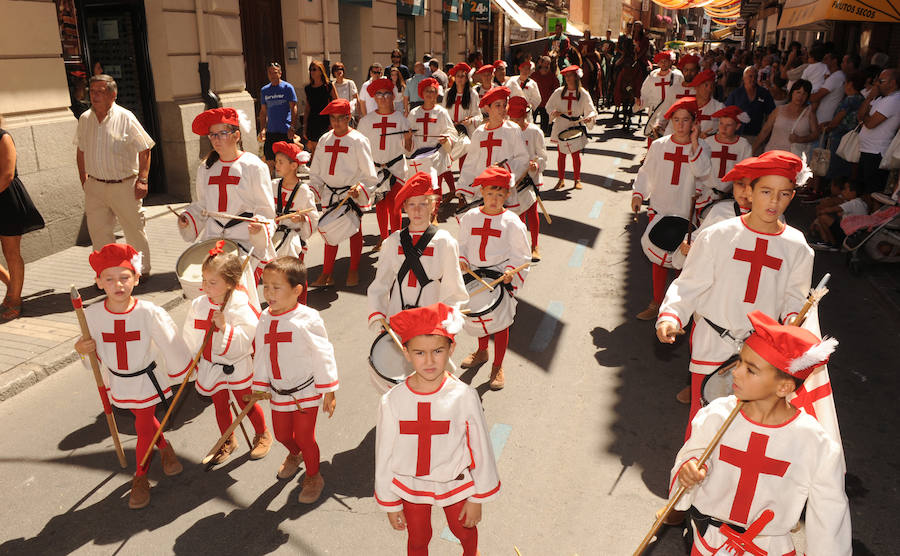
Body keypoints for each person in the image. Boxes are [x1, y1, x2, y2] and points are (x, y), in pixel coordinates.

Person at [655, 152, 814, 436]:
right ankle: (689, 473)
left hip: (761, 352)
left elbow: (795, 297)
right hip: (713, 341)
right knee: (702, 420)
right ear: (749, 192)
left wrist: (792, 320)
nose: (774, 202)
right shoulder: (718, 235)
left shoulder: (797, 246)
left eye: (784, 194)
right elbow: (689, 283)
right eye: (766, 192)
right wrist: (672, 315)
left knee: (745, 426)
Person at [669, 310, 850, 555]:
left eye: (751, 370)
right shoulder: (717, 415)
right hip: (711, 545)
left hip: (770, 549)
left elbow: (829, 515)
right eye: (739, 361)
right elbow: (693, 456)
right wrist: (690, 469)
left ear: (784, 386)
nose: (736, 371)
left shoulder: (814, 443)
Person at [374, 302, 501, 556]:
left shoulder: (464, 396)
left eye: (438, 351)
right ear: (406, 353)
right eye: (419, 352)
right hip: (412, 483)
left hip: (454, 479)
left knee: (463, 530)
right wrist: (390, 502)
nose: (429, 360)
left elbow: (480, 447)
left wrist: (478, 498)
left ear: (451, 349)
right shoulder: (392, 400)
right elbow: (385, 453)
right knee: (418, 538)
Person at [74, 243, 193, 509]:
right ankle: (165, 448)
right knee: (145, 421)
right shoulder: (91, 315)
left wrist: (181, 370)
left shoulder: (148, 312)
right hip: (118, 380)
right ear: (99, 282)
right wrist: (81, 349)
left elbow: (170, 341)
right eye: (110, 279)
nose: (118, 284)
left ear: (136, 278)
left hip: (144, 380)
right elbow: (85, 347)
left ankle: (140, 478)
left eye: (125, 277)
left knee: (141, 427)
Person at [251, 256, 339, 504]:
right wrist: (260, 385)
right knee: (280, 435)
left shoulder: (308, 318)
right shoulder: (265, 317)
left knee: (304, 436)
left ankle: (313, 475)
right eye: (265, 286)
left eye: (276, 287)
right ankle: (295, 455)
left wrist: (329, 390)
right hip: (279, 391)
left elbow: (324, 353)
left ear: (297, 290)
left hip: (305, 391)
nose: (268, 292)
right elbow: (261, 353)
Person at [181, 243, 271, 465]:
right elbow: (191, 332)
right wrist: (192, 358)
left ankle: (262, 434)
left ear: (230, 283)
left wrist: (226, 328)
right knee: (220, 405)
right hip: (211, 364)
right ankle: (228, 438)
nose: (205, 286)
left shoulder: (239, 303)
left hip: (236, 363)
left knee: (245, 402)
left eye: (212, 282)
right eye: (204, 280)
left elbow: (251, 332)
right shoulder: (199, 304)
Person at [631, 97, 712, 321]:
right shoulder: (659, 145)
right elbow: (646, 172)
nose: (680, 125)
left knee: (681, 263)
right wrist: (638, 194)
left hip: (685, 213)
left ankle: (676, 309)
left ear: (694, 123)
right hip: (659, 210)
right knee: (658, 260)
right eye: (676, 120)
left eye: (686, 120)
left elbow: (703, 171)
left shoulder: (702, 147)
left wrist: (695, 143)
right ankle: (656, 303)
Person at [177, 108, 276, 280]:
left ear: (236, 136)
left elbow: (265, 209)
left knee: (239, 295)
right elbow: (203, 206)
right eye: (212, 135)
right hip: (213, 238)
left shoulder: (254, 166)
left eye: (222, 133)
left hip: (245, 239)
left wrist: (260, 227)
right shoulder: (206, 167)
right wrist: (188, 218)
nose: (216, 139)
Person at [457, 167, 531, 390]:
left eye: (500, 195)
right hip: (474, 275)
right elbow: (462, 243)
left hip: (499, 277)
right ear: (482, 192)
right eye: (490, 193)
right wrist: (461, 258)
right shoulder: (470, 217)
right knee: (478, 315)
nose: (494, 199)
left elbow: (521, 254)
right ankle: (482, 351)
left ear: (507, 195)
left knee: (499, 321)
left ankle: (498, 365)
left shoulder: (512, 222)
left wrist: (511, 271)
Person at [367, 172, 467, 330]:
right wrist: (379, 314)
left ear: (433, 206)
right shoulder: (392, 242)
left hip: (431, 319)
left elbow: (453, 288)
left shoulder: (445, 242)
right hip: (398, 316)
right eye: (412, 204)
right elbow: (380, 284)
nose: (417, 210)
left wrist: (447, 323)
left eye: (423, 204)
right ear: (405, 207)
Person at [75, 74, 154, 275]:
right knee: (99, 233)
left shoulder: (126, 117)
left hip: (124, 185)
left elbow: (145, 149)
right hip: (95, 187)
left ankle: (140, 270)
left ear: (113, 94)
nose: (95, 96)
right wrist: (84, 179)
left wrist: (142, 179)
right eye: (92, 92)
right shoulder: (85, 119)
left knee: (133, 230)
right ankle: (107, 273)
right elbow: (81, 150)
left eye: (100, 92)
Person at [308, 99, 379, 287]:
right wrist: (314, 188)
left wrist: (360, 188)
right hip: (331, 194)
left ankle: (353, 268)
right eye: (333, 118)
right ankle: (326, 273)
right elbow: (316, 169)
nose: (336, 122)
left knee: (354, 230)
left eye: (341, 118)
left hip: (350, 194)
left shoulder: (358, 140)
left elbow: (369, 173)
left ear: (348, 118)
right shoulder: (325, 139)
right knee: (330, 230)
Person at [357, 78, 412, 250]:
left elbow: (409, 149)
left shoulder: (401, 119)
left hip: (396, 169)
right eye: (379, 94)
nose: (383, 97)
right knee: (381, 204)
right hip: (376, 170)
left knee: (395, 205)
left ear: (392, 96)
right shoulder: (366, 121)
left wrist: (409, 139)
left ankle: (396, 239)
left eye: (387, 93)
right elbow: (360, 146)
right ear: (374, 97)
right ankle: (383, 237)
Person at [0, 115, 45, 321]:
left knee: (11, 253)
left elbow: (7, 175)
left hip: (7, 200)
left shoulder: (3, 137)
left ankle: (15, 301)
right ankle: (12, 286)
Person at [455, 87, 529, 206]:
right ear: (487, 108)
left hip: (503, 189)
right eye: (497, 105)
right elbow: (471, 162)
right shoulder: (479, 133)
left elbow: (523, 158)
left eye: (505, 105)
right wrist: (463, 187)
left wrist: (505, 167)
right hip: (482, 190)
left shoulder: (513, 129)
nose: (503, 109)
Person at [269, 142, 319, 277]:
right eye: (276, 161)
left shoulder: (304, 190)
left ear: (293, 165)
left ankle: (300, 299)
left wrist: (302, 218)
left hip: (294, 239)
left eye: (280, 162)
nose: (276, 165)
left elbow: (313, 217)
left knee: (295, 277)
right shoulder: (273, 185)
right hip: (275, 238)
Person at [508, 96, 547, 260]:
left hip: (530, 179)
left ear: (525, 115)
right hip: (515, 179)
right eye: (512, 118)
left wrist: (536, 165)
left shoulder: (534, 132)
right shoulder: (507, 131)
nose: (515, 121)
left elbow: (543, 156)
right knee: (517, 213)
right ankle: (520, 246)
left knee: (531, 211)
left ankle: (535, 245)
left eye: (518, 118)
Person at [695, 106, 752, 215]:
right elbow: (698, 168)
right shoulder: (708, 142)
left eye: (728, 125)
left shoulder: (743, 145)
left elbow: (745, 174)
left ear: (737, 126)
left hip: (730, 197)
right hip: (706, 195)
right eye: (721, 124)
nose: (723, 128)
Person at [547, 65, 597, 190]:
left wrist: (588, 117)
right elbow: (549, 106)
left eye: (570, 76)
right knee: (561, 154)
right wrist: (554, 113)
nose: (568, 78)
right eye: (566, 76)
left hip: (575, 125)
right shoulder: (558, 92)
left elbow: (591, 110)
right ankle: (561, 179)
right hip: (562, 125)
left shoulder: (582, 93)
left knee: (575, 154)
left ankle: (577, 179)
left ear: (576, 77)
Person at [406, 78, 455, 199]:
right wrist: (408, 136)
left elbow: (451, 131)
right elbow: (407, 133)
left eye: (433, 91)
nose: (429, 94)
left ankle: (434, 215)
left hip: (436, 155)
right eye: (427, 91)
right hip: (418, 155)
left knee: (435, 185)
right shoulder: (414, 113)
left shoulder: (441, 112)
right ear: (422, 93)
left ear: (436, 94)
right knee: (420, 187)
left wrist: (446, 138)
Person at [857, 68, 900, 195]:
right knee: (864, 189)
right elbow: (860, 116)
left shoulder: (894, 100)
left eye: (881, 81)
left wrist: (865, 117)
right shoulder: (880, 98)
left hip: (876, 152)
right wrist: (870, 97)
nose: (877, 84)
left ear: (892, 83)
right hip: (866, 150)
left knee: (873, 191)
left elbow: (870, 124)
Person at [753, 80, 818, 156]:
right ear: (792, 93)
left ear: (807, 96)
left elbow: (815, 135)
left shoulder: (810, 113)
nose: (800, 97)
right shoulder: (779, 110)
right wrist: (753, 149)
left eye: (804, 94)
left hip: (793, 158)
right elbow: (765, 131)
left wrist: (800, 139)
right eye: (798, 92)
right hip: (772, 154)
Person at [258, 62, 299, 176]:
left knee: (287, 161)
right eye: (270, 73)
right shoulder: (265, 90)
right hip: (271, 131)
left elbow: (293, 107)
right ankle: (271, 187)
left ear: (280, 73)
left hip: (285, 131)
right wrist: (262, 129)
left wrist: (292, 127)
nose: (272, 75)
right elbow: (263, 111)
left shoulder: (287, 88)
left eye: (275, 72)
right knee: (270, 161)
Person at [664, 70, 724, 138]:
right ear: (696, 87)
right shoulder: (683, 105)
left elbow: (726, 130)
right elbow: (671, 130)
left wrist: (710, 136)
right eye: (706, 85)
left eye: (712, 86)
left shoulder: (719, 107)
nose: (709, 89)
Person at [725, 66, 776, 145]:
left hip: (756, 136)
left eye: (755, 76)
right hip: (738, 135)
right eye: (750, 76)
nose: (753, 79)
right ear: (744, 78)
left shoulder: (764, 93)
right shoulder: (736, 93)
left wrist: (766, 132)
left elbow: (771, 114)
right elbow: (727, 113)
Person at [638, 51, 682, 139]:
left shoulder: (677, 76)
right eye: (661, 61)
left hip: (670, 110)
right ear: (658, 63)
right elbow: (645, 91)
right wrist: (640, 101)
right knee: (653, 133)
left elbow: (681, 91)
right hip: (655, 109)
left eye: (666, 61)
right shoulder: (653, 75)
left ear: (670, 62)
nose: (663, 64)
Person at [811, 179, 867, 249]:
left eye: (845, 189)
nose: (843, 191)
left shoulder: (853, 203)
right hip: (856, 233)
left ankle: (832, 243)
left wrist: (821, 211)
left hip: (849, 234)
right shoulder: (862, 203)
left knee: (823, 217)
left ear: (853, 192)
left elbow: (831, 210)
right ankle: (828, 241)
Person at [302, 61, 338, 159]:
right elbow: (307, 107)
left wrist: (334, 120)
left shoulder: (328, 86)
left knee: (325, 147)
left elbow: (336, 103)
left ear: (321, 71)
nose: (312, 72)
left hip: (326, 121)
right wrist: (305, 125)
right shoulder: (308, 88)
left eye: (314, 69)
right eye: (310, 70)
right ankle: (315, 172)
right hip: (313, 121)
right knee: (314, 149)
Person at [532, 56, 560, 136]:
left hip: (546, 104)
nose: (544, 68)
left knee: (545, 126)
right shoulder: (534, 75)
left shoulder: (553, 77)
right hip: (536, 103)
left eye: (547, 66)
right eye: (543, 66)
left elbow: (556, 90)